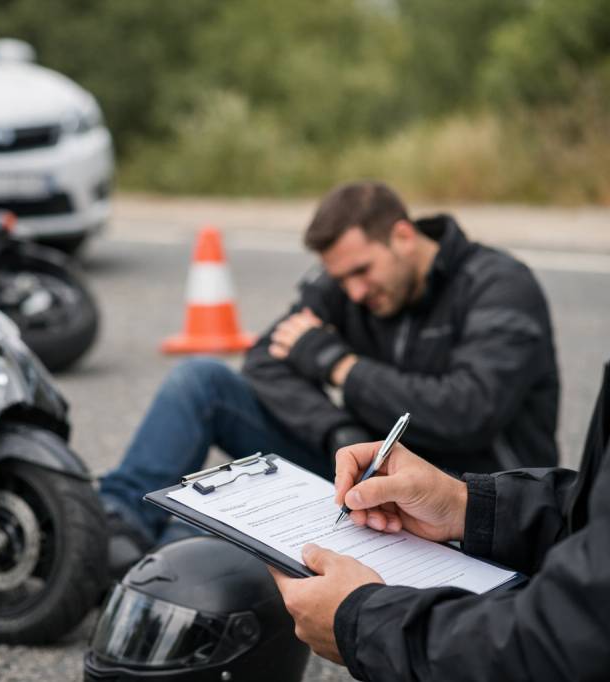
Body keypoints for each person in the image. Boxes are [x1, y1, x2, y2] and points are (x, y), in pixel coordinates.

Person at [99, 180, 559, 568]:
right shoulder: (346, 281)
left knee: (186, 556)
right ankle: (111, 528)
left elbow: (467, 411)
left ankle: (151, 556)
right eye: (342, 280)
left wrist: (340, 365)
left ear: (402, 235)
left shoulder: (499, 286)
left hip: (463, 503)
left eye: (362, 271)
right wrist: (341, 433)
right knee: (201, 381)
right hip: (363, 483)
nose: (354, 292)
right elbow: (265, 361)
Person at [269, 360, 610, 680]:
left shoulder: (499, 296)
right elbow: (598, 520)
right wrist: (468, 505)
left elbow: (568, 641)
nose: (356, 292)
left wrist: (363, 621)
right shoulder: (331, 295)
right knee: (214, 379)